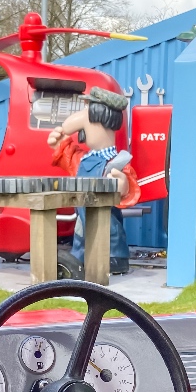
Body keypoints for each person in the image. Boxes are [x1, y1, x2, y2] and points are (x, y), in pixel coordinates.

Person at [47, 86, 141, 275]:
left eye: (88, 123)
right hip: (82, 235)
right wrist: (58, 143)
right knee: (83, 235)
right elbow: (67, 153)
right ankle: (80, 258)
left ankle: (114, 257)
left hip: (110, 245)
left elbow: (128, 189)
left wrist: (121, 184)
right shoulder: (82, 159)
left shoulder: (116, 162)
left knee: (104, 231)